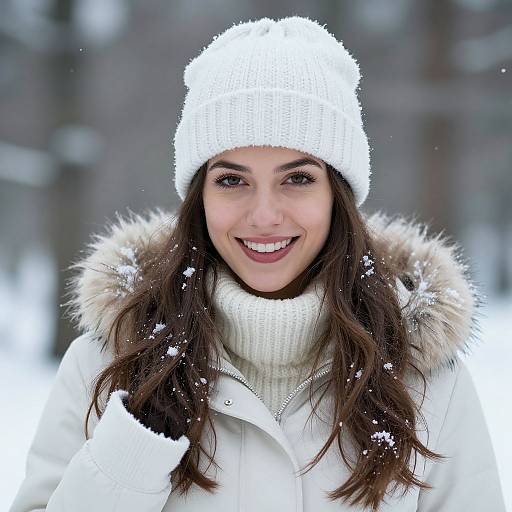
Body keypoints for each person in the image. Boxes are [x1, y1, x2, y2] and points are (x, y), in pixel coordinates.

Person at [10, 16, 505, 512]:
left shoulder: (423, 379)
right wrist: (134, 449)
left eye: (297, 179)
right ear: (198, 197)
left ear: (338, 195)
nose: (265, 215)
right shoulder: (111, 362)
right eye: (232, 180)